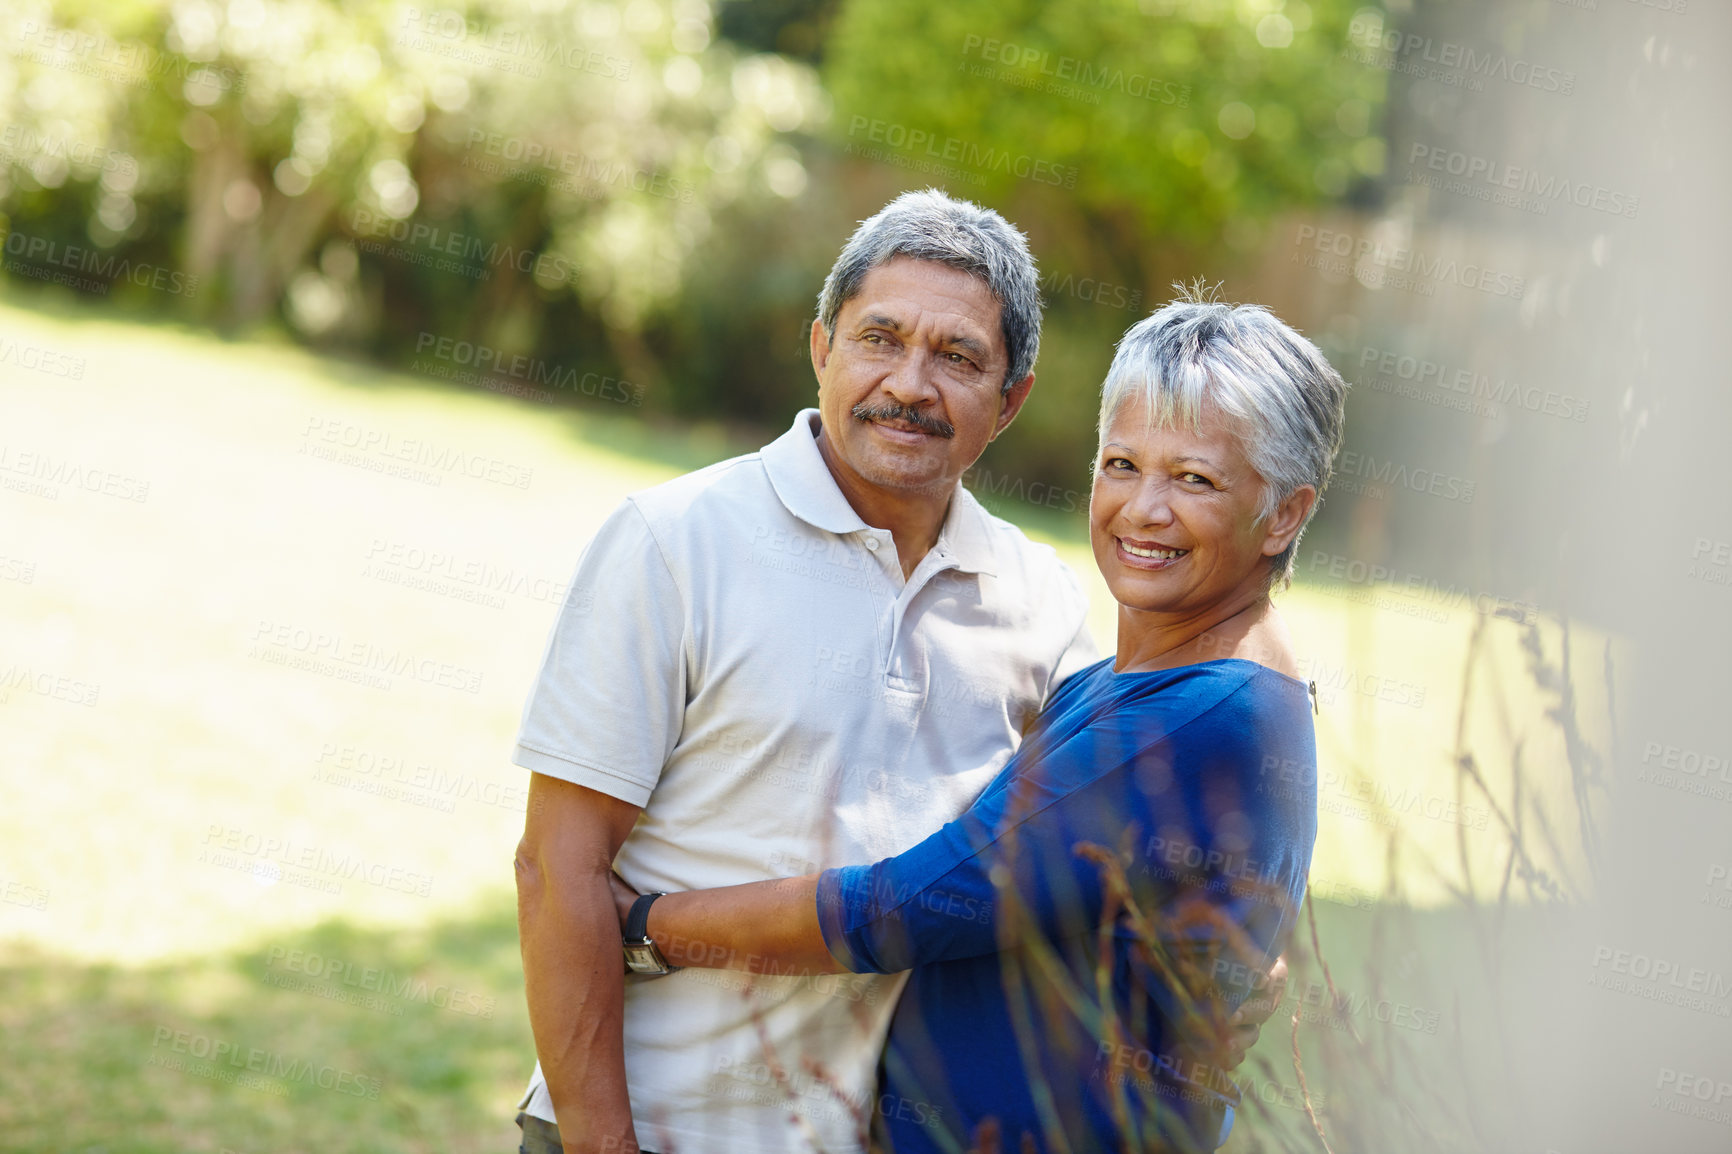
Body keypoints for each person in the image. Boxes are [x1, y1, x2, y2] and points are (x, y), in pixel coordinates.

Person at [511, 189, 1281, 1154]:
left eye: (958, 357)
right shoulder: (673, 544)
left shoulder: (1038, 599)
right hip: (655, 1129)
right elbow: (557, 868)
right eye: (880, 338)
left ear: (1012, 400)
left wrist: (1238, 952)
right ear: (822, 347)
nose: (911, 384)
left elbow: (1097, 835)